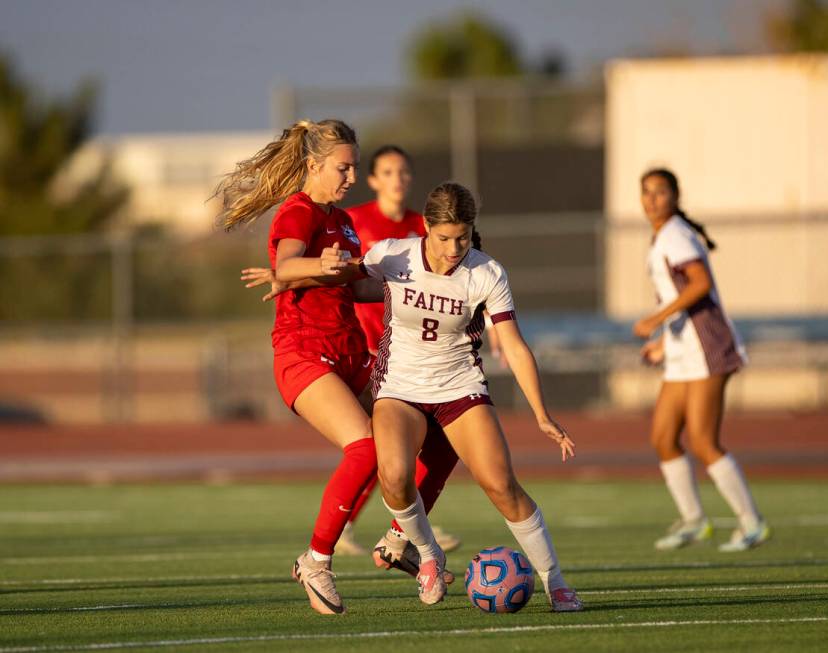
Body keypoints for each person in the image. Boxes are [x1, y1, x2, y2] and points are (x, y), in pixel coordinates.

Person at [218, 119, 455, 615]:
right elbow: (286, 264)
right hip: (304, 354)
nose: (350, 176)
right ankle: (316, 560)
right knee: (366, 447)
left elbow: (358, 287)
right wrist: (311, 268)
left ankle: (399, 539)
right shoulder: (298, 210)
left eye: (353, 167)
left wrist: (425, 287)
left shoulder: (342, 221)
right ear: (313, 165)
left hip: (351, 352)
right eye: (342, 168)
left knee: (439, 433)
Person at [316, 181, 583, 611]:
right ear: (425, 227)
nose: (453, 247)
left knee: (501, 485)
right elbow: (342, 285)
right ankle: (428, 557)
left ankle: (557, 583)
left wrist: (541, 413)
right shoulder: (392, 253)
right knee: (395, 475)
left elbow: (513, 345)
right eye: (443, 238)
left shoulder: (487, 273)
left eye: (462, 237)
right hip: (400, 388)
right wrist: (290, 274)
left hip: (460, 389)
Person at [633, 167, 769, 553]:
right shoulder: (662, 235)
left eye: (660, 192)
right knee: (662, 437)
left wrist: (655, 320)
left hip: (708, 347)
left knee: (703, 441)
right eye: (645, 192)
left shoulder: (675, 233)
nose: (652, 199)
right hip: (682, 351)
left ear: (675, 196)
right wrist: (662, 342)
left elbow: (700, 284)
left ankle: (751, 523)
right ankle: (694, 521)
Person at [335, 145, 461, 556]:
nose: (398, 178)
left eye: (404, 171)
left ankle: (406, 525)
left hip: (411, 354)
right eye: (388, 171)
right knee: (379, 444)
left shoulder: (421, 227)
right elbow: (348, 281)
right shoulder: (355, 221)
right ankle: (385, 526)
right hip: (369, 350)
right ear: (373, 180)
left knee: (418, 443)